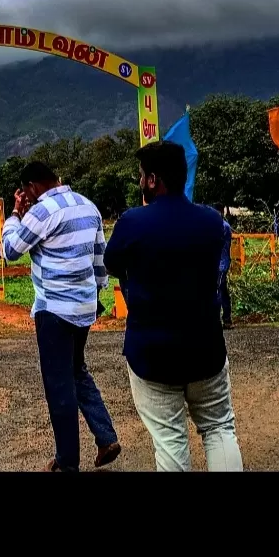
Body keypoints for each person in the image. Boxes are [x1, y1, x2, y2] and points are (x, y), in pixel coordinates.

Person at [104, 141, 243, 472]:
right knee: (219, 429)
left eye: (141, 176)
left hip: (152, 354)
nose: (140, 182)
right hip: (206, 348)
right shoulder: (211, 221)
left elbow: (112, 264)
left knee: (170, 439)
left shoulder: (133, 222)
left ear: (153, 179)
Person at [2, 161, 122, 473]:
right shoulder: (88, 206)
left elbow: (11, 250)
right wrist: (95, 298)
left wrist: (15, 213)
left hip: (54, 310)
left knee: (59, 386)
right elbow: (100, 261)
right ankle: (106, 437)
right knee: (76, 371)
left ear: (29, 187)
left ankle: (67, 462)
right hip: (83, 308)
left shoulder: (41, 212)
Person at [214, 204, 233, 329]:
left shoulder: (223, 227)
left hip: (221, 263)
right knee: (223, 290)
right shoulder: (219, 225)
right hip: (218, 263)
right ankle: (227, 318)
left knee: (218, 290)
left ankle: (217, 319)